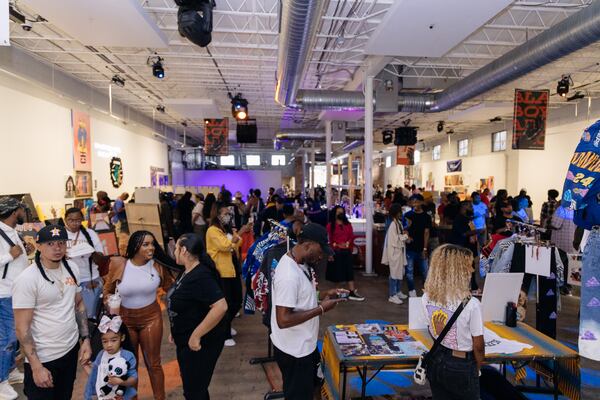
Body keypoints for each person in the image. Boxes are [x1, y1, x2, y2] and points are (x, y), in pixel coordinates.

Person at [13, 225, 92, 400]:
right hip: (44, 358)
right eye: (50, 243)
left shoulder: (72, 267)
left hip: (70, 350)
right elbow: (22, 328)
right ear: (38, 245)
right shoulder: (27, 279)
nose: (57, 248)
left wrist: (85, 339)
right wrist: (36, 366)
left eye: (61, 243)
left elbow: (79, 304)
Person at [271, 223, 347, 400]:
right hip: (294, 352)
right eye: (320, 251)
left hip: (305, 345)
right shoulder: (289, 275)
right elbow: (283, 319)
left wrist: (324, 294)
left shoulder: (301, 263)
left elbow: (300, 297)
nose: (322, 256)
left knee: (315, 385)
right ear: (307, 246)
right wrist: (321, 309)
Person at [103, 231, 179, 400]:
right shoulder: (119, 264)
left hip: (151, 318)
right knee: (129, 364)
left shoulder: (157, 265)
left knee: (153, 363)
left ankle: (160, 397)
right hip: (125, 320)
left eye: (152, 244)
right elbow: (107, 290)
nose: (151, 247)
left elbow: (171, 289)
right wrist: (110, 301)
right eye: (145, 244)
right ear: (135, 246)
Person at [168, 233, 228, 400]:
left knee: (194, 391)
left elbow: (221, 306)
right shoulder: (187, 271)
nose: (174, 252)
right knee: (195, 388)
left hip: (199, 345)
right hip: (185, 340)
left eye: (176, 248)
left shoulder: (201, 275)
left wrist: (196, 336)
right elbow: (188, 304)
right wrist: (175, 327)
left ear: (184, 250)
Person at [421, 244, 484, 400]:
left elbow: (432, 330)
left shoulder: (427, 297)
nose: (472, 270)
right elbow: (479, 346)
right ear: (456, 270)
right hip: (461, 365)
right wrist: (477, 368)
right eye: (468, 266)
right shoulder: (472, 304)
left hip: (436, 360)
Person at [206, 203, 252, 347]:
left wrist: (237, 236)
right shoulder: (212, 231)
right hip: (221, 271)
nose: (228, 216)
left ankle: (226, 325)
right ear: (217, 215)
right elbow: (225, 246)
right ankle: (223, 333)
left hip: (232, 269)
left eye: (228, 213)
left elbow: (238, 243)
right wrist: (240, 232)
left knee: (237, 300)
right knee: (226, 303)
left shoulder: (223, 229)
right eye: (225, 213)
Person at [0, 198, 30, 399]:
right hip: (5, 294)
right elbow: (9, 256)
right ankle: (1, 382)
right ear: (14, 212)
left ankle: (9, 372)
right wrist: (10, 256)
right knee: (7, 339)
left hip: (17, 293)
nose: (24, 213)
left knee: (15, 338)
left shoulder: (11, 232)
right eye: (21, 210)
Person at [64, 207, 109, 319]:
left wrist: (90, 251)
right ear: (65, 220)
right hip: (67, 281)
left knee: (90, 316)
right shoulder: (60, 234)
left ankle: (88, 336)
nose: (75, 223)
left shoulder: (90, 234)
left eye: (78, 220)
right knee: (71, 316)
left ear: (82, 220)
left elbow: (101, 259)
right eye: (71, 220)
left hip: (89, 279)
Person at [83, 315, 138, 400]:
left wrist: (122, 382)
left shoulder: (127, 356)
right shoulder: (101, 355)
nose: (109, 345)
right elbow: (96, 375)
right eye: (105, 341)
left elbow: (134, 378)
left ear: (122, 337)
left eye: (113, 340)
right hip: (102, 397)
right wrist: (86, 366)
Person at [326, 206, 364, 301]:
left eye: (342, 212)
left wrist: (346, 244)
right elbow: (329, 240)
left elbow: (351, 236)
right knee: (337, 274)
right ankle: (338, 292)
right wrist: (336, 246)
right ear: (334, 213)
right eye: (338, 212)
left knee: (349, 272)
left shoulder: (348, 224)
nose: (340, 214)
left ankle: (352, 292)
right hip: (336, 252)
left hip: (347, 251)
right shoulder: (330, 225)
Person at [449, 201, 480, 291]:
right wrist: (477, 231)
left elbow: (472, 230)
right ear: (463, 207)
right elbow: (463, 233)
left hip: (469, 248)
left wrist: (474, 235)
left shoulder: (468, 218)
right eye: (470, 206)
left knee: (471, 268)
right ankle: (460, 288)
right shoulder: (459, 219)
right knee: (462, 269)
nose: (472, 208)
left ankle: (473, 287)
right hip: (462, 248)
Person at [405, 194, 432, 297]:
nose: (414, 204)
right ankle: (411, 291)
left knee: (425, 272)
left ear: (421, 202)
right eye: (412, 202)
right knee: (409, 272)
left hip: (422, 248)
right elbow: (404, 229)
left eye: (416, 201)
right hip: (410, 248)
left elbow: (426, 233)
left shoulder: (426, 217)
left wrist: (424, 249)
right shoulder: (407, 215)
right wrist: (407, 236)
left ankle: (426, 292)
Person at [381, 203, 408, 304]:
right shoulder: (392, 224)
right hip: (394, 253)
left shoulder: (398, 223)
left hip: (399, 252)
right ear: (396, 213)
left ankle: (397, 291)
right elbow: (394, 240)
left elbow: (399, 236)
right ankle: (392, 295)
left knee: (400, 272)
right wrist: (405, 237)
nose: (401, 214)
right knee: (393, 274)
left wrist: (405, 235)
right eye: (400, 212)